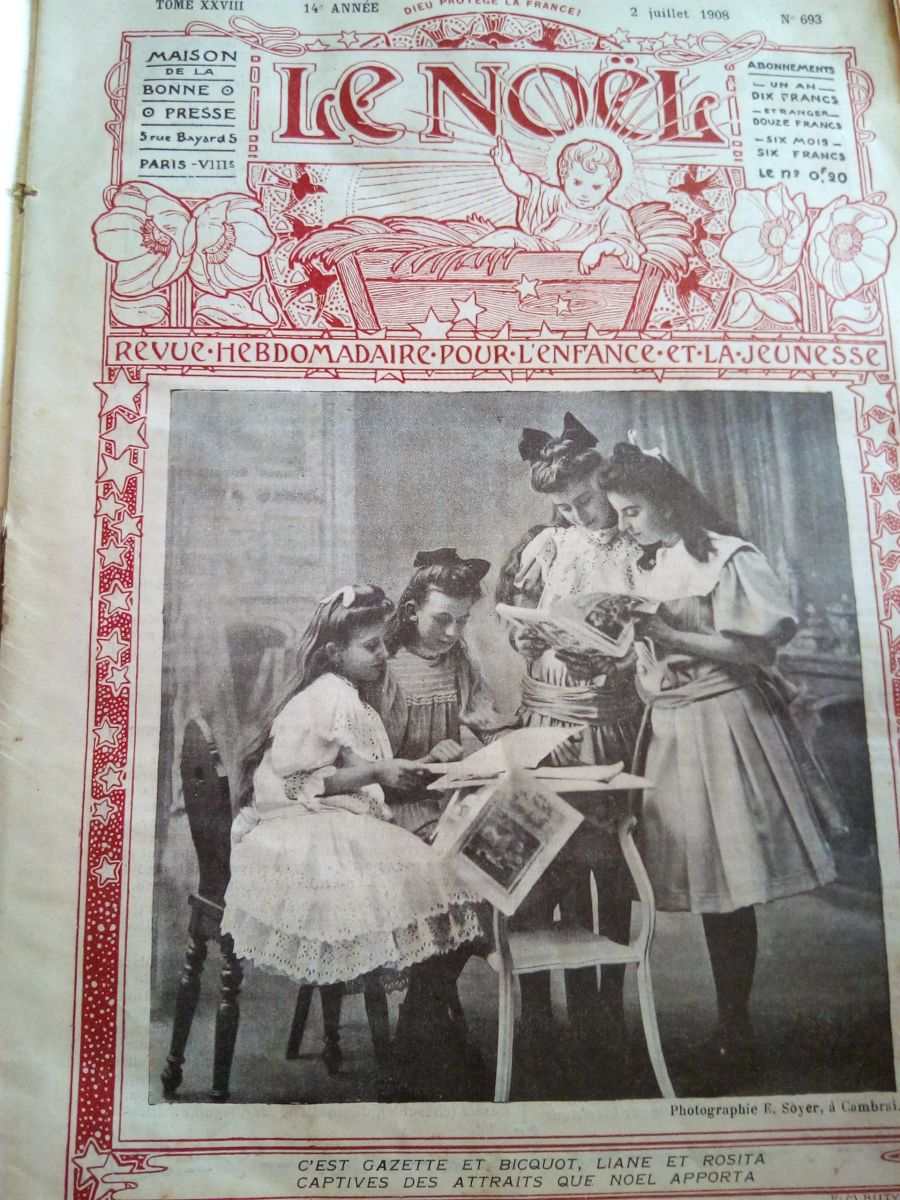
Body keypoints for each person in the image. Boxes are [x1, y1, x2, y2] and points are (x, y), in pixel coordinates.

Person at [599, 440, 839, 1083]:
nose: (625, 524)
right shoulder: (653, 566)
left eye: (631, 511)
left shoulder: (728, 558)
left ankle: (736, 1030)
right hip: (672, 728)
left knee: (731, 884)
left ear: (666, 501)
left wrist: (669, 634)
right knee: (708, 881)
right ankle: (731, 1030)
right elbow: (652, 654)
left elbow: (757, 652)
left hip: (723, 724)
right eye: (618, 513)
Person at [222, 584, 488, 1092]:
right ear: (332, 652)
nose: (384, 654)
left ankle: (423, 1026)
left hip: (332, 818)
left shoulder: (343, 694)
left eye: (384, 642)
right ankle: (421, 1033)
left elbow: (356, 767)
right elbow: (299, 782)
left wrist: (412, 765)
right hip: (305, 830)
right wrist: (379, 773)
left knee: (444, 884)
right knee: (447, 885)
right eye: (371, 646)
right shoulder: (331, 697)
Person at [498, 413, 644, 1086]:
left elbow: (654, 631)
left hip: (608, 720)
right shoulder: (548, 544)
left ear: (605, 481)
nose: (578, 516)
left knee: (607, 864)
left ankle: (604, 1012)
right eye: (564, 507)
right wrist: (524, 638)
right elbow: (518, 618)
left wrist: (620, 656)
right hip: (543, 718)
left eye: (585, 500)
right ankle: (537, 1015)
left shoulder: (637, 545)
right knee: (540, 857)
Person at [377, 547, 512, 836]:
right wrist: (428, 761)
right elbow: (368, 763)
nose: (453, 632)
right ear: (412, 611)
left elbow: (489, 725)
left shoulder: (458, 664)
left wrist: (518, 746)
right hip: (391, 806)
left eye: (461, 621)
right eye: (442, 619)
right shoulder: (382, 669)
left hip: (446, 802)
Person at [474, 137, 645, 273]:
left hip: (578, 266)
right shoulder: (555, 197)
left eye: (596, 187)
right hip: (543, 249)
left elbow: (623, 243)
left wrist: (598, 249)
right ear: (564, 177)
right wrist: (506, 166)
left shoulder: (612, 212)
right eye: (577, 183)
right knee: (505, 235)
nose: (585, 193)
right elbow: (524, 186)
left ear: (611, 186)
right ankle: (464, 259)